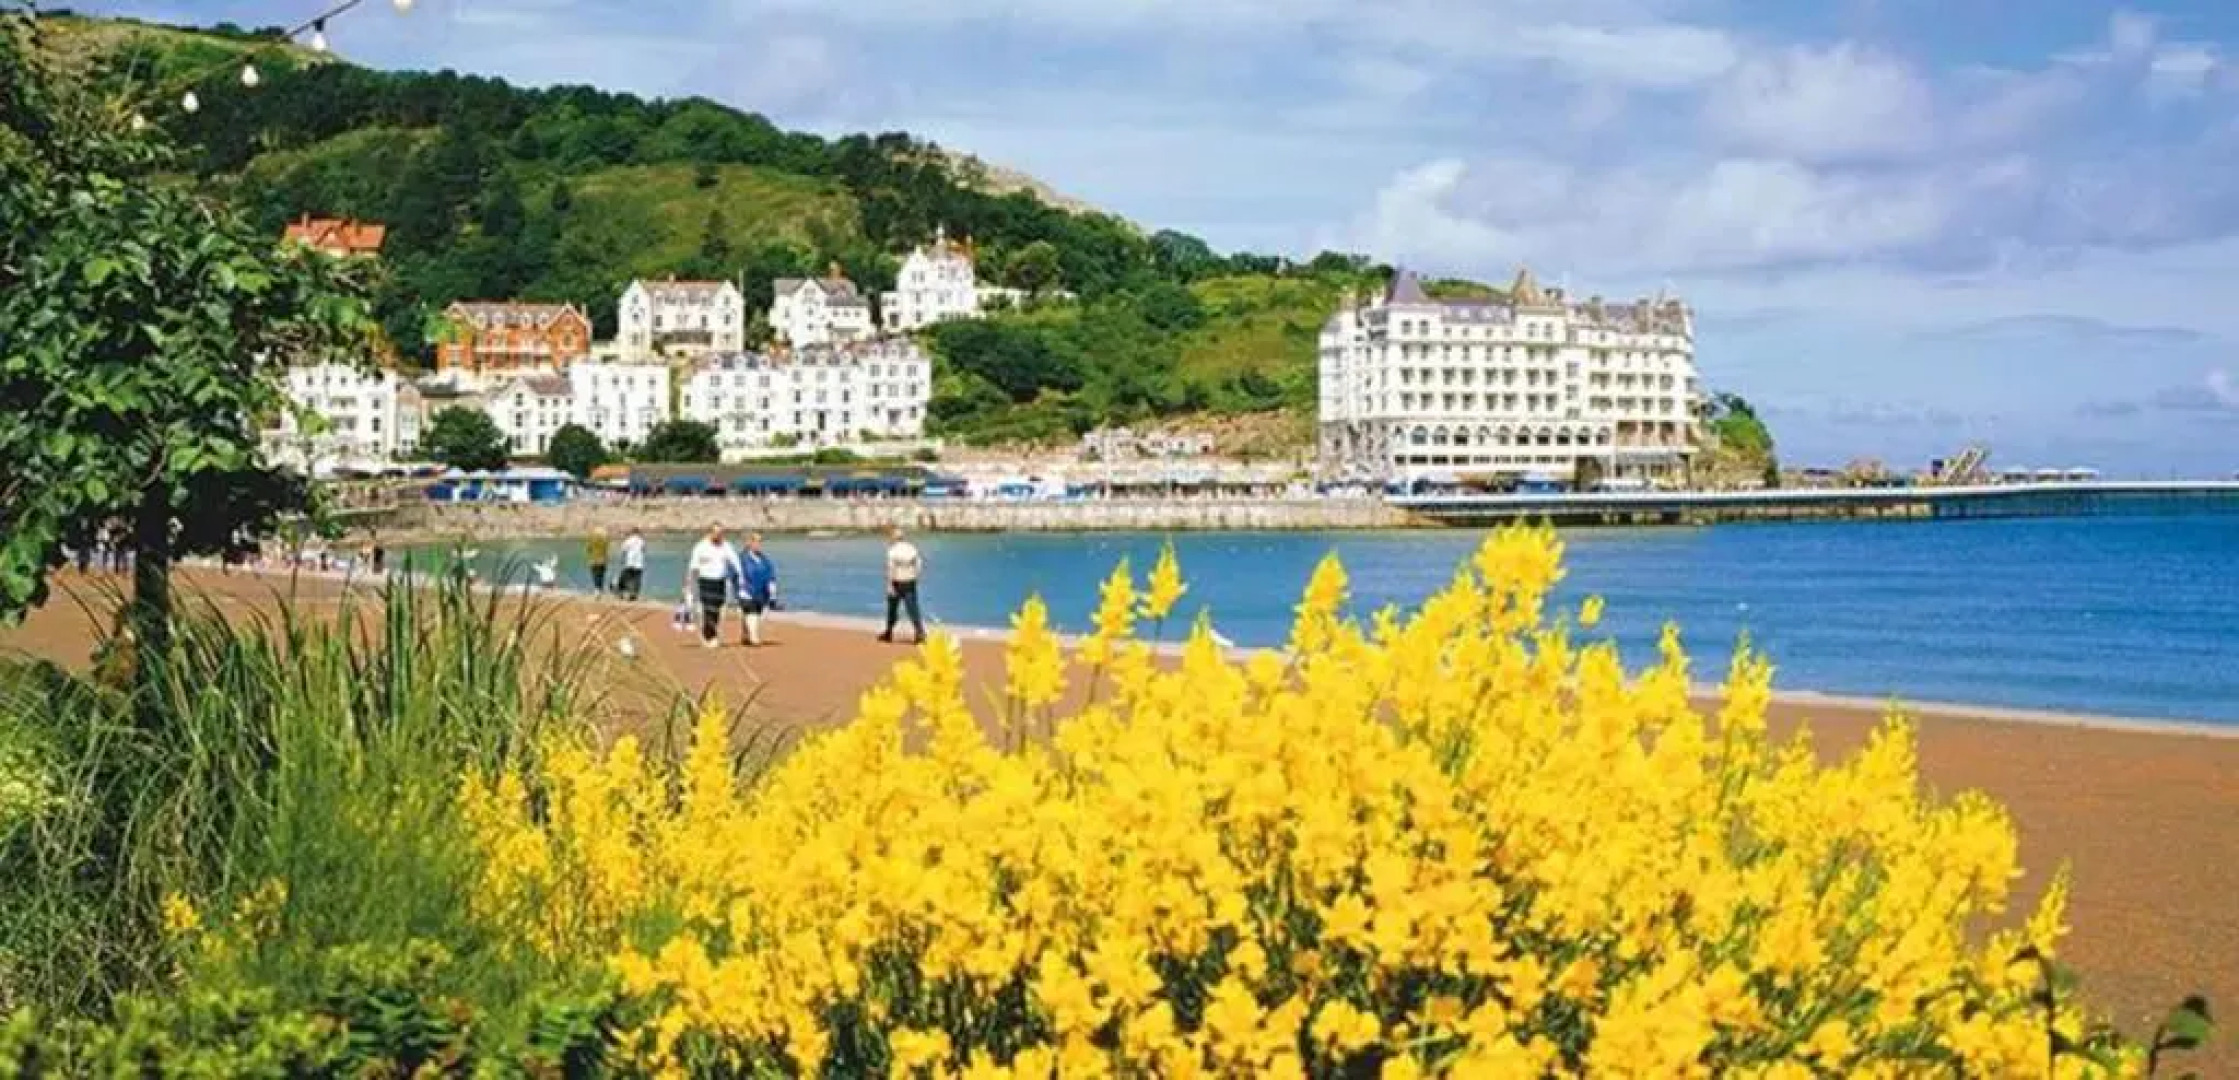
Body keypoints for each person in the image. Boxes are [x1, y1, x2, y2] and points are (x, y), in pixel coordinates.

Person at [684, 524, 740, 648]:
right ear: (710, 533)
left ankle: (709, 633)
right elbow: (693, 565)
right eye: (716, 533)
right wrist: (689, 581)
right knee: (708, 609)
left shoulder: (726, 545)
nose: (719, 536)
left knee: (717, 609)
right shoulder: (701, 546)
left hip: (720, 581)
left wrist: (740, 575)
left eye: (721, 533)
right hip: (705, 580)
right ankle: (710, 636)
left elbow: (734, 560)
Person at [878, 525, 926, 644]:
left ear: (894, 538)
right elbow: (919, 564)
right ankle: (919, 632)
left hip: (897, 581)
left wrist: (889, 585)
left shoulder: (892, 551)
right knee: (913, 608)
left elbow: (891, 569)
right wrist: (916, 576)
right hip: (910, 580)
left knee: (892, 609)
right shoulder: (911, 548)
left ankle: (889, 632)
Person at [734, 532, 779, 647]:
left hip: (762, 594)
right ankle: (754, 638)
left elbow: (771, 577)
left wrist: (773, 594)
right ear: (749, 543)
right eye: (755, 541)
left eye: (760, 541)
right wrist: (740, 589)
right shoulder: (741, 559)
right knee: (751, 613)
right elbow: (734, 574)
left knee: (756, 616)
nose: (758, 544)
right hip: (746, 592)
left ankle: (746, 635)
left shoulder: (765, 560)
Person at [617, 527, 647, 601]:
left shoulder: (628, 540)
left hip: (630, 562)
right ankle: (634, 594)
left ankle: (623, 592)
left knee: (626, 578)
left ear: (632, 532)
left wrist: (621, 559)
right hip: (639, 564)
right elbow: (644, 550)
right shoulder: (641, 541)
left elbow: (623, 550)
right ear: (638, 533)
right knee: (637, 579)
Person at [586, 528, 611, 594]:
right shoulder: (605, 541)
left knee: (595, 574)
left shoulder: (592, 540)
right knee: (601, 574)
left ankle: (597, 589)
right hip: (602, 560)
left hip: (593, 560)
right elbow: (606, 551)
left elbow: (588, 549)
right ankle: (600, 589)